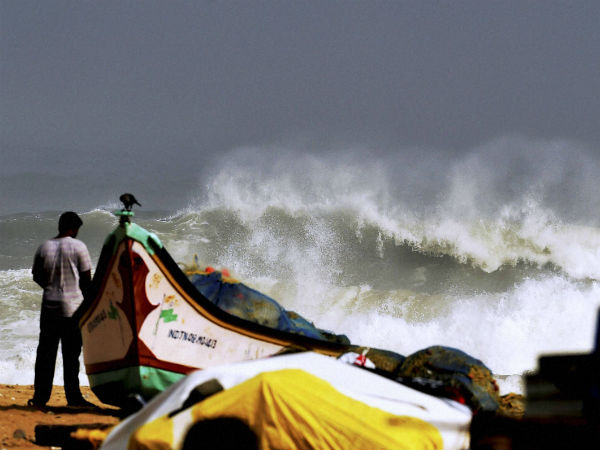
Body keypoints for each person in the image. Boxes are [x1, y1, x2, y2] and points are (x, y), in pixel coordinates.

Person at [28, 211, 94, 409]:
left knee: (46, 355)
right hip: (72, 309)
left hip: (49, 308)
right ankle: (74, 398)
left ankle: (40, 398)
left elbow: (36, 275)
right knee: (71, 356)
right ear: (73, 229)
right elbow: (86, 280)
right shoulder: (79, 247)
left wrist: (51, 287)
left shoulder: (44, 247)